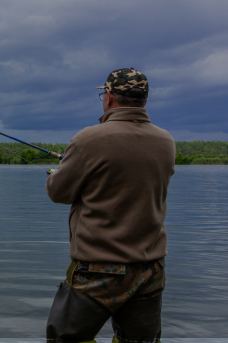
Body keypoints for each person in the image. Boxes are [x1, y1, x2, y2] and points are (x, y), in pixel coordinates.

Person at [44, 69, 175, 343]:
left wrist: (54, 175)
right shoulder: (166, 141)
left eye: (104, 94)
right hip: (150, 269)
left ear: (111, 97)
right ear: (144, 99)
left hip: (98, 270)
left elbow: (59, 193)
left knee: (65, 338)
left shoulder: (89, 139)